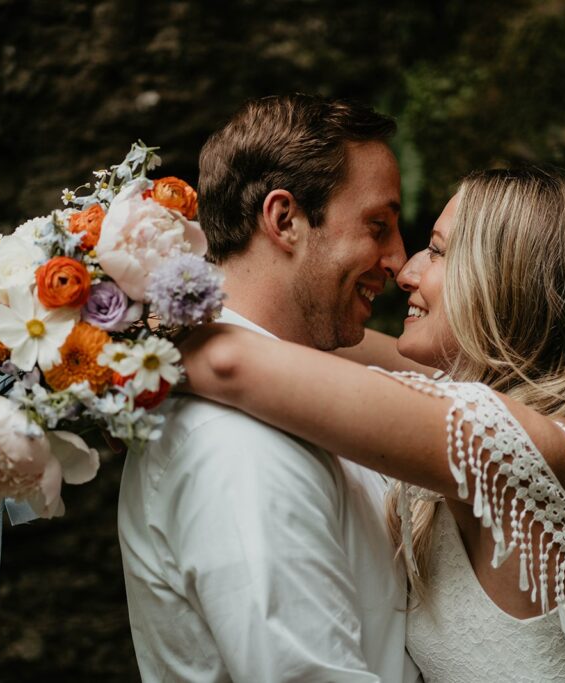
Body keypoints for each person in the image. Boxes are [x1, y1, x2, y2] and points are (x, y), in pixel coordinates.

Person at [179, 168, 565, 681]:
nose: (407, 272)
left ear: (512, 284)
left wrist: (118, 322)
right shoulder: (489, 406)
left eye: (439, 252)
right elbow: (293, 333)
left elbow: (228, 361)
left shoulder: (539, 453)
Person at [117, 94, 423, 682]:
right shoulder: (237, 446)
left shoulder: (302, 389)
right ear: (285, 220)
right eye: (377, 226)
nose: (398, 261)